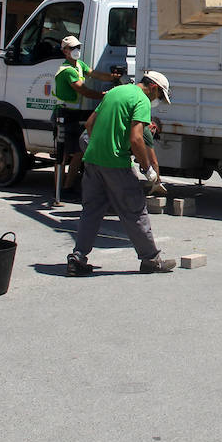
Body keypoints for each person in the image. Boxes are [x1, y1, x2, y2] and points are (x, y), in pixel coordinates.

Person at [66, 71, 177, 276]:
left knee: (91, 211)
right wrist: (147, 169)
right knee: (134, 210)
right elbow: (136, 139)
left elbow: (90, 124)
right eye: (160, 96)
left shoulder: (115, 92)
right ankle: (150, 260)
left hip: (92, 160)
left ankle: (78, 258)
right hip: (116, 163)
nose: (158, 101)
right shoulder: (141, 100)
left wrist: (101, 146)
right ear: (153, 87)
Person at [52, 35, 122, 191]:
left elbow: (95, 74)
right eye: (72, 48)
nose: (76, 50)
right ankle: (58, 189)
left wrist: (112, 77)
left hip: (75, 114)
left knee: (77, 153)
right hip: (63, 114)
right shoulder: (66, 71)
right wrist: (104, 96)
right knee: (62, 154)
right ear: (64, 51)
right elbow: (82, 90)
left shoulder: (79, 65)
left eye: (78, 47)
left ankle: (67, 187)